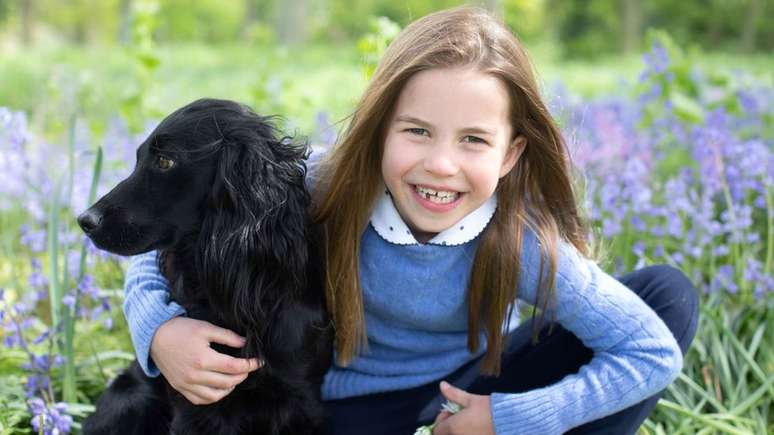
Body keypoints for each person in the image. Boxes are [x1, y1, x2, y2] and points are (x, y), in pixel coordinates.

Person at [122, 7, 699, 435]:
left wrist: (509, 418)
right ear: (380, 131)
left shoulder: (517, 238)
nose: (441, 164)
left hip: (466, 392)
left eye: (474, 140)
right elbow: (168, 233)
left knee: (665, 295)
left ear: (511, 155)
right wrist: (159, 333)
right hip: (346, 410)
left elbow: (649, 351)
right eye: (417, 131)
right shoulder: (325, 186)